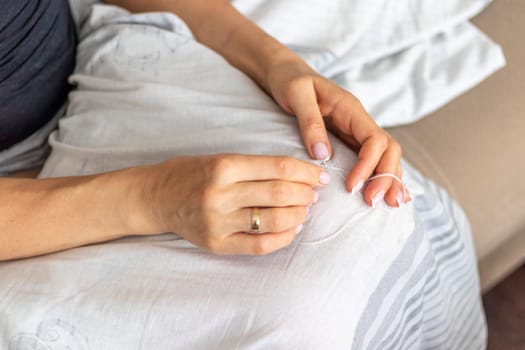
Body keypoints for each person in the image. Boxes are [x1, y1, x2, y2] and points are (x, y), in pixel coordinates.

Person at [0, 0, 409, 261]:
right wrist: (152, 198)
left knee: (371, 214)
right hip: (20, 200)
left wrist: (280, 65)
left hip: (101, 52)